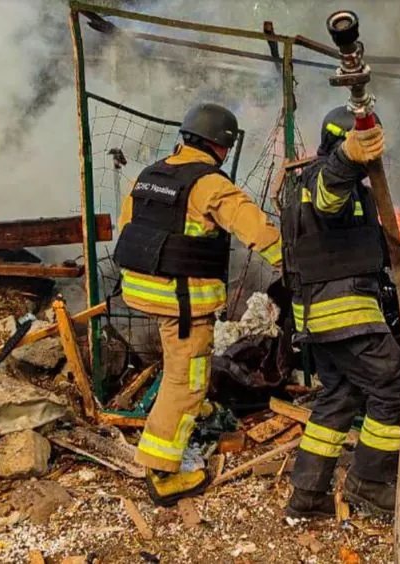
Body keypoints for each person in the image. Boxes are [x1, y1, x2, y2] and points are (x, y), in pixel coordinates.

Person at [113, 102, 282, 505]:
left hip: (141, 289)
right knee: (186, 378)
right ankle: (162, 471)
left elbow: (126, 228)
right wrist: (297, 265)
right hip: (182, 301)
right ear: (221, 146)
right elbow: (257, 231)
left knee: (179, 363)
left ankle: (194, 410)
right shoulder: (210, 183)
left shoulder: (150, 176)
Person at [280, 106, 400, 518]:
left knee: (341, 394)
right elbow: (331, 196)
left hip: (321, 315)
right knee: (392, 383)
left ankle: (308, 494)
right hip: (343, 310)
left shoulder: (304, 185)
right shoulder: (323, 179)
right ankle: (368, 483)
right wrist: (349, 156)